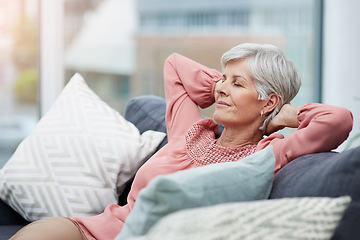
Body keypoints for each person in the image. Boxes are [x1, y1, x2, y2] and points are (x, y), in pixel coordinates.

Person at [10, 43, 353, 240]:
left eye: (238, 83)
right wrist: (225, 83)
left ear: (268, 101)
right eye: (222, 79)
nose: (220, 88)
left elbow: (338, 121)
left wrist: (284, 115)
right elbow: (175, 65)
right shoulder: (191, 127)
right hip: (93, 229)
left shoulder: (268, 153)